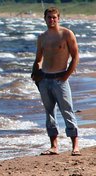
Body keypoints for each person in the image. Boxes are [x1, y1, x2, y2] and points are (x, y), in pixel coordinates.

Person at [31, 7, 81, 156]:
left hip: (60, 79)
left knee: (67, 111)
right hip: (45, 80)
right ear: (44, 19)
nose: (51, 20)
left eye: (54, 17)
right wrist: (35, 73)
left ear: (58, 18)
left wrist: (66, 75)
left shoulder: (66, 34)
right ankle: (54, 146)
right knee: (49, 113)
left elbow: (76, 56)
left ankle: (75, 146)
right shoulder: (42, 37)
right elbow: (38, 59)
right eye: (49, 17)